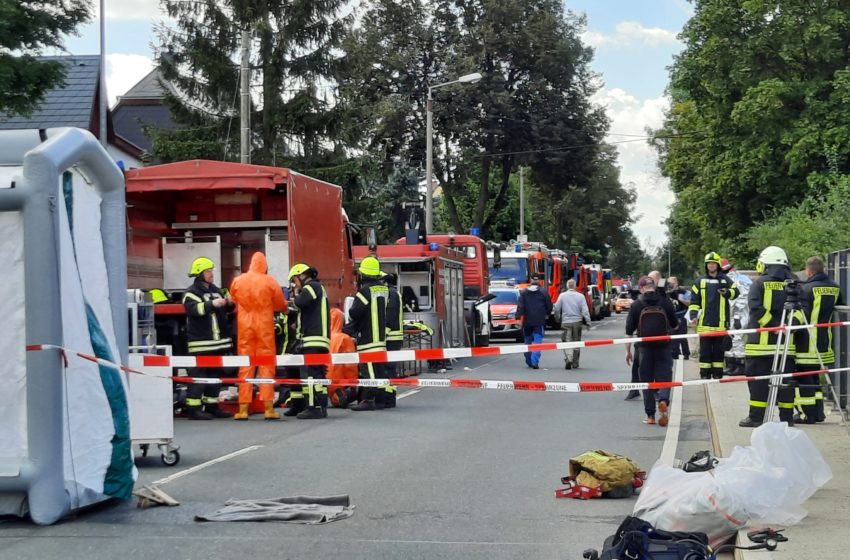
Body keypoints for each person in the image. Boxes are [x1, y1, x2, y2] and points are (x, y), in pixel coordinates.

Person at [739, 246, 796, 428]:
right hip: (786, 346)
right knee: (786, 384)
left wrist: (772, 326)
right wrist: (787, 327)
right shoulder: (794, 283)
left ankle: (757, 418)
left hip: (760, 347)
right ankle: (787, 419)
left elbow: (755, 309)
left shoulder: (759, 283)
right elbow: (802, 311)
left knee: (758, 383)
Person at [229, 252, 287, 420]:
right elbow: (280, 304)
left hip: (245, 326)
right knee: (266, 365)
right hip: (264, 326)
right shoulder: (269, 281)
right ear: (264, 265)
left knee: (245, 366)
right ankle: (268, 408)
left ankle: (243, 409)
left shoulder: (239, 280)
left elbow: (234, 298)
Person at [181, 257, 234, 420]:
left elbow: (226, 311)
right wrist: (213, 304)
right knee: (199, 377)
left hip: (217, 344)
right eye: (208, 271)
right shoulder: (191, 293)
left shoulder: (216, 290)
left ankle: (212, 405)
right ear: (199, 274)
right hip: (201, 343)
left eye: (211, 271)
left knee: (215, 377)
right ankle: (193, 408)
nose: (212, 274)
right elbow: (192, 309)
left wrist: (229, 303)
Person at [794, 256, 842, 423]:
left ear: (808, 271)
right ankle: (818, 412)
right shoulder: (835, 287)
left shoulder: (806, 288)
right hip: (824, 341)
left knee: (804, 378)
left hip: (806, 342)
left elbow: (802, 315)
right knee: (814, 377)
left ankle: (807, 415)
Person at [625, 276, 678, 426]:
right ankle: (663, 400)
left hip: (644, 348)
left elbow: (629, 331)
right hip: (664, 346)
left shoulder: (636, 304)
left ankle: (650, 416)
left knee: (646, 382)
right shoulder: (666, 302)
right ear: (653, 287)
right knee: (665, 378)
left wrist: (627, 351)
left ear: (641, 288)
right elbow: (675, 325)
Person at [287, 263, 331, 420]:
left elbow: (300, 302)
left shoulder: (312, 286)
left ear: (301, 275)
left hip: (313, 339)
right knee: (299, 369)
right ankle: (300, 404)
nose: (294, 284)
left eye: (294, 280)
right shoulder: (317, 288)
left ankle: (314, 407)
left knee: (311, 374)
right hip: (313, 339)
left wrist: (295, 295)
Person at [345, 256, 388, 411]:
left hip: (368, 338)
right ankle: (381, 400)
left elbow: (355, 312)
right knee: (379, 370)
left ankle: (369, 399)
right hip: (381, 338)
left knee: (368, 369)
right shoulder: (383, 289)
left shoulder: (364, 291)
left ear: (363, 274)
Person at [688, 252, 739, 379]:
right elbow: (694, 301)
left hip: (721, 323)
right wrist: (693, 315)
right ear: (706, 265)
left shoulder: (725, 279)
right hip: (705, 323)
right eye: (709, 264)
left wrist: (727, 292)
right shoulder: (699, 281)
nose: (711, 265)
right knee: (705, 351)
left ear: (717, 265)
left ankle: (717, 373)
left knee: (718, 351)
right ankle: (705, 374)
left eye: (713, 263)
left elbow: (736, 292)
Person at [516, 273, 553, 369]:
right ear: (539, 280)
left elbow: (521, 306)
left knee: (527, 342)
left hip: (527, 321)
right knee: (537, 342)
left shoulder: (524, 292)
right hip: (539, 321)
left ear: (531, 280)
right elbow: (549, 305)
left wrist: (518, 317)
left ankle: (528, 360)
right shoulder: (543, 292)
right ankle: (534, 362)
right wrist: (547, 314)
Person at [553, 278, 591, 369]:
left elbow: (557, 308)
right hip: (577, 322)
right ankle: (575, 362)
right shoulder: (581, 296)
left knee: (566, 341)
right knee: (577, 342)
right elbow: (585, 310)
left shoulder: (562, 296)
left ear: (567, 286)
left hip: (566, 322)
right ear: (575, 286)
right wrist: (588, 322)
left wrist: (557, 318)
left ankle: (568, 358)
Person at [327, 307, 358, 408]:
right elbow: (350, 365)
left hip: (322, 378)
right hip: (338, 379)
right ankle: (340, 395)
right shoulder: (344, 338)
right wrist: (353, 383)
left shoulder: (323, 338)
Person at [383, 272, 404, 408]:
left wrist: (382, 334)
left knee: (389, 368)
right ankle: (389, 396)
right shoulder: (395, 293)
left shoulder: (391, 294)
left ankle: (389, 398)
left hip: (391, 337)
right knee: (389, 367)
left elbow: (390, 316)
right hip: (395, 337)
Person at [666, 276, 691, 361]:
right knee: (672, 335)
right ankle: (675, 353)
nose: (671, 285)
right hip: (670, 317)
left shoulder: (683, 292)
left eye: (673, 283)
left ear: (676, 283)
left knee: (682, 336)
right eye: (669, 283)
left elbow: (690, 303)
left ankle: (686, 353)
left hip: (681, 315)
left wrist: (681, 299)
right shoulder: (666, 292)